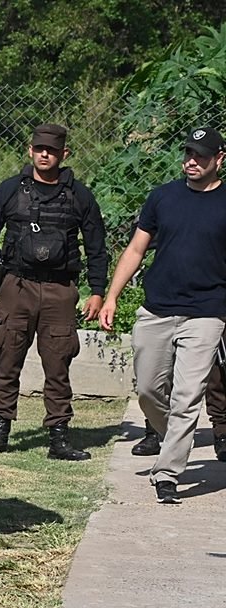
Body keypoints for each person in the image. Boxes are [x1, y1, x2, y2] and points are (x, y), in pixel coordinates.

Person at [99, 126, 226, 504]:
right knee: (150, 391)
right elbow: (136, 250)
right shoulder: (163, 197)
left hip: (206, 313)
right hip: (156, 309)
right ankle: (174, 439)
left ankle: (167, 472)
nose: (192, 160)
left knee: (188, 396)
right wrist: (111, 298)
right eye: (189, 153)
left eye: (201, 155)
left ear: (220, 159)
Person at [0, 124, 109, 460]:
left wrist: (97, 291)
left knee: (58, 363)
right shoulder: (9, 191)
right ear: (29, 150)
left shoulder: (80, 196)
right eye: (39, 148)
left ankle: (59, 438)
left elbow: (96, 247)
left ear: (65, 154)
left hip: (60, 289)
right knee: (8, 357)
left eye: (52, 149)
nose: (44, 154)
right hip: (17, 285)